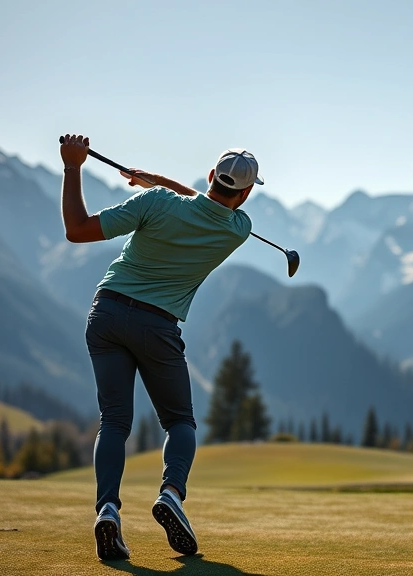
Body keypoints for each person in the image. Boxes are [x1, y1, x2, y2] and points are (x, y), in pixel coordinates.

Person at [58, 133, 261, 560]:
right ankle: (171, 494)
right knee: (180, 422)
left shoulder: (156, 204)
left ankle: (108, 510)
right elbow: (209, 207)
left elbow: (77, 230)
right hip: (157, 328)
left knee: (114, 421)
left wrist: (73, 165)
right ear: (244, 194)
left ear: (210, 175)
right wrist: (162, 183)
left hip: (107, 313)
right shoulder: (239, 230)